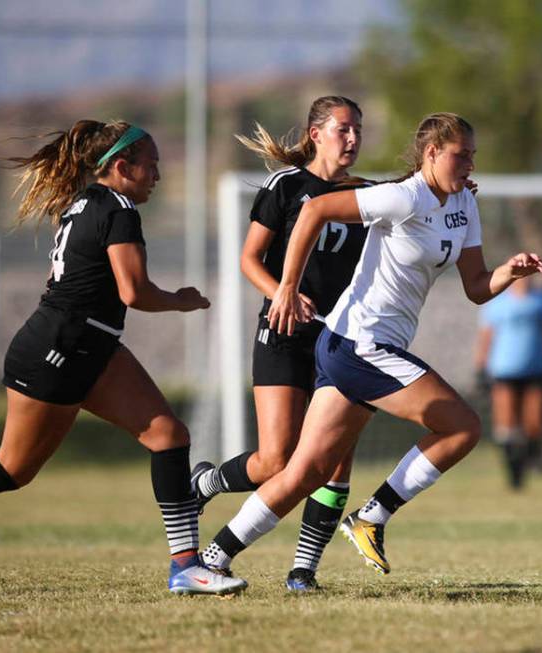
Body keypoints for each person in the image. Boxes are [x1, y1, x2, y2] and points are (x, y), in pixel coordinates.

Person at [0, 119, 246, 597]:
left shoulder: (87, 201)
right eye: (151, 165)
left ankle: (186, 567)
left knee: (169, 437)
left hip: (89, 345)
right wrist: (181, 300)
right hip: (59, 348)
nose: (158, 175)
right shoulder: (119, 209)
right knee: (12, 469)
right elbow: (133, 291)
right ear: (123, 166)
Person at [197, 112, 542, 585]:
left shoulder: (464, 203)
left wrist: (510, 270)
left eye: (472, 155)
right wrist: (286, 287)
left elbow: (478, 288)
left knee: (304, 472)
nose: (469, 163)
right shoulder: (403, 196)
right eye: (460, 154)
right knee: (462, 427)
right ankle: (371, 517)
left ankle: (212, 559)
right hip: (361, 343)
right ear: (431, 153)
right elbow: (315, 211)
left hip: (353, 345)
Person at [190, 96, 368, 591]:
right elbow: (249, 259)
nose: (352, 138)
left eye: (358, 130)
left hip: (338, 341)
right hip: (284, 334)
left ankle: (303, 570)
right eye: (343, 129)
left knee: (335, 459)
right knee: (276, 461)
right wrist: (282, 293)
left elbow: (417, 201)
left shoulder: (365, 195)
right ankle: (205, 484)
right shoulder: (286, 186)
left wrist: (455, 187)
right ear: (316, 134)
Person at [474, 276, 542, 489]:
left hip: (537, 369)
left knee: (534, 423)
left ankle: (533, 457)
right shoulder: (497, 304)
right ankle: (514, 475)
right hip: (504, 369)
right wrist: (480, 368)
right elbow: (486, 337)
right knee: (506, 425)